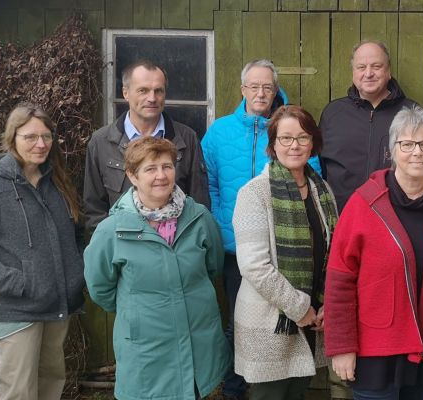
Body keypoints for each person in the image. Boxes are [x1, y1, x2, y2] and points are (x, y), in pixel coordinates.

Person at [324, 106, 423, 400]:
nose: (416, 153)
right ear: (392, 150)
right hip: (374, 353)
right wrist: (342, 346)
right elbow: (340, 282)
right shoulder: (363, 204)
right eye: (406, 144)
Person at [201, 59, 321, 400]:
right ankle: (235, 388)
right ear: (242, 89)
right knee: (242, 322)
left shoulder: (291, 128)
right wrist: (221, 222)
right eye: (253, 86)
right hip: (235, 247)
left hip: (289, 249)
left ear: (276, 89)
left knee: (283, 321)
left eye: (267, 86)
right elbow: (208, 182)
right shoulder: (219, 132)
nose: (260, 92)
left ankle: (275, 384)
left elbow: (310, 177)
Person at [0, 103, 84, 400]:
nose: (41, 144)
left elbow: (76, 234)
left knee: (52, 383)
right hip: (19, 310)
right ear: (13, 138)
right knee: (18, 391)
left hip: (58, 306)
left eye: (47, 136)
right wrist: (21, 283)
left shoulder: (57, 181)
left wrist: (77, 272)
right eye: (30, 137)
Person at [84, 137, 231, 400]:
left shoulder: (199, 218)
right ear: (132, 175)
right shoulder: (112, 230)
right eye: (150, 168)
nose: (161, 176)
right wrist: (139, 310)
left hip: (199, 345)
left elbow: (213, 267)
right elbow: (99, 287)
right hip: (146, 350)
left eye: (167, 166)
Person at [231, 105, 337, 399]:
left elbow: (333, 254)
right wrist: (300, 307)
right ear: (273, 144)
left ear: (313, 142)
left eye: (302, 137)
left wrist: (328, 303)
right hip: (271, 323)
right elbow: (254, 266)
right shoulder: (254, 194)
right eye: (285, 138)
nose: (294, 145)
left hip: (312, 320)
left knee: (296, 393)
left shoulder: (322, 190)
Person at [84, 59, 209, 233]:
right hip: (123, 250)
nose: (152, 98)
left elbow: (200, 205)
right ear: (126, 93)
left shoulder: (186, 139)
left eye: (158, 91)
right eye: (143, 90)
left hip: (175, 249)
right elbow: (94, 210)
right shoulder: (101, 141)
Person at [320, 40, 417, 211]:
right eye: (361, 67)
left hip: (395, 220)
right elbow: (319, 168)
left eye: (376, 66)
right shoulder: (333, 114)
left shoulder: (411, 114)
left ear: (389, 71)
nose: (368, 73)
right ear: (353, 72)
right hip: (341, 220)